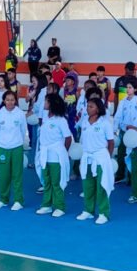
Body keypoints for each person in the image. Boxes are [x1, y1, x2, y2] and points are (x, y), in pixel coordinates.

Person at [78, 97, 115, 225]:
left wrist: (107, 158)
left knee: (102, 185)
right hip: (87, 157)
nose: (88, 108)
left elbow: (111, 142)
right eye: (87, 106)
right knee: (88, 185)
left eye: (91, 106)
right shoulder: (84, 122)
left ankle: (103, 213)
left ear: (98, 109)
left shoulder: (105, 123)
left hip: (100, 157)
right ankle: (88, 210)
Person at [34, 93, 73, 217]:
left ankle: (60, 206)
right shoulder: (46, 117)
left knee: (56, 182)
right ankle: (46, 205)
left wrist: (63, 152)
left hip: (56, 156)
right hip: (45, 154)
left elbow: (68, 138)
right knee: (47, 181)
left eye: (46, 101)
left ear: (52, 104)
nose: (44, 104)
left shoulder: (61, 120)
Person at [0, 90, 27, 210]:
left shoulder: (20, 113)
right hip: (3, 147)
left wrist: (17, 141)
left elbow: (23, 130)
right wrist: (4, 140)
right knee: (3, 175)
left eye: (12, 100)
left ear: (16, 101)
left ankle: (18, 200)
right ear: (4, 101)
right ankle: (3, 199)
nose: (10, 102)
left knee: (17, 175)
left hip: (17, 147)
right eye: (7, 100)